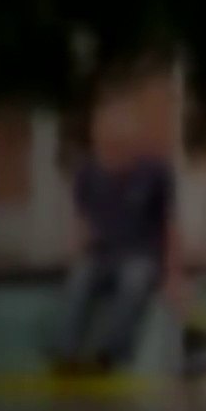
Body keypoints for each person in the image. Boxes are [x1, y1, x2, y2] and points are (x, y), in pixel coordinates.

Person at [53, 99, 184, 368]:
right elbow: (81, 220)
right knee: (79, 280)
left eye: (121, 143)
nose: (114, 150)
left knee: (133, 280)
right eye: (108, 143)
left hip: (141, 255)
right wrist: (76, 251)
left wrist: (173, 273)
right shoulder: (87, 173)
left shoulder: (155, 173)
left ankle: (111, 354)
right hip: (101, 255)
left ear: (132, 142)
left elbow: (170, 224)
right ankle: (66, 354)